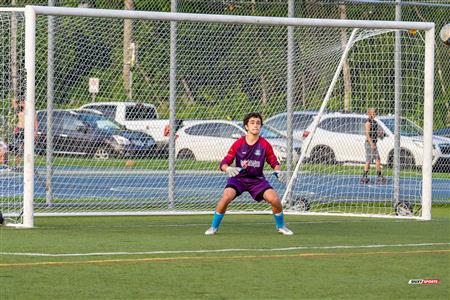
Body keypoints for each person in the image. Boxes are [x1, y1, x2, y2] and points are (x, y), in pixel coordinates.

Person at [205, 112, 293, 235]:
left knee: (275, 199)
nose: (255, 125)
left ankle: (281, 227)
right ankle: (213, 227)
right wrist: (228, 169)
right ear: (246, 126)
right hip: (238, 179)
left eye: (258, 123)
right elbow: (224, 162)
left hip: (257, 180)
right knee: (226, 197)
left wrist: (278, 171)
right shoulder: (238, 143)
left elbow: (274, 162)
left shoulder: (265, 144)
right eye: (252, 123)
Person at [361, 108, 386, 184]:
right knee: (371, 160)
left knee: (376, 159)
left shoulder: (375, 122)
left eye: (375, 112)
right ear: (369, 113)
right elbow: (367, 135)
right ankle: (367, 176)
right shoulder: (368, 123)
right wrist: (372, 144)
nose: (375, 113)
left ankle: (375, 176)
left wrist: (381, 134)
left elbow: (375, 133)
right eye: (374, 112)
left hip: (374, 143)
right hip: (369, 144)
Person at [12, 97, 38, 170]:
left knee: (26, 148)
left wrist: (36, 132)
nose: (23, 103)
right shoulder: (19, 109)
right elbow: (14, 101)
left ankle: (28, 165)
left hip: (27, 130)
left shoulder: (32, 111)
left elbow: (35, 122)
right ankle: (17, 166)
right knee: (18, 148)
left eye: (25, 102)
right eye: (23, 102)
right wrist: (18, 98)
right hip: (19, 129)